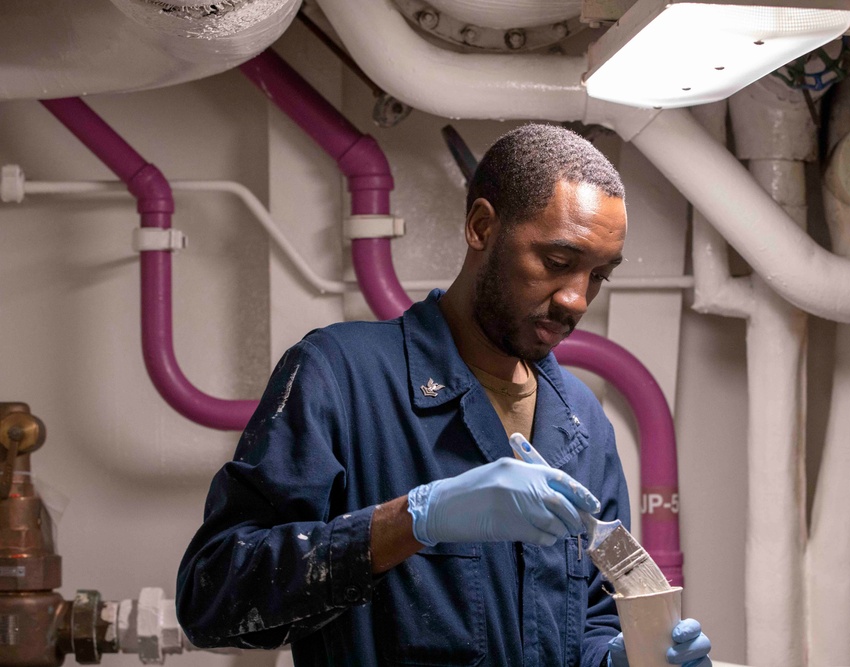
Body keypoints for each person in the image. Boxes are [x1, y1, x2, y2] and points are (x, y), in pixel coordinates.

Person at [176, 124, 712, 667]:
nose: (576, 298)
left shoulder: (583, 424)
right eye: (556, 263)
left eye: (599, 276)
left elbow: (591, 620)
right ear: (481, 227)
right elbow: (211, 596)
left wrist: (619, 659)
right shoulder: (341, 375)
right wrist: (415, 519)